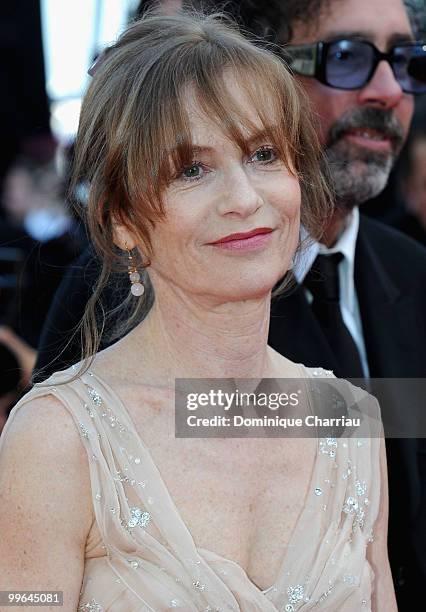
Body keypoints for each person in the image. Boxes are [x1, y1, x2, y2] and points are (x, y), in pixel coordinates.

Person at [0, 10, 394, 611]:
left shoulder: (349, 420)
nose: (243, 198)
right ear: (121, 221)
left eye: (263, 154)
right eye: (192, 168)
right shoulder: (55, 441)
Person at [208, 0, 426, 608]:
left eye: (407, 60)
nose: (389, 90)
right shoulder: (162, 283)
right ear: (259, 77)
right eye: (350, 57)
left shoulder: (414, 272)